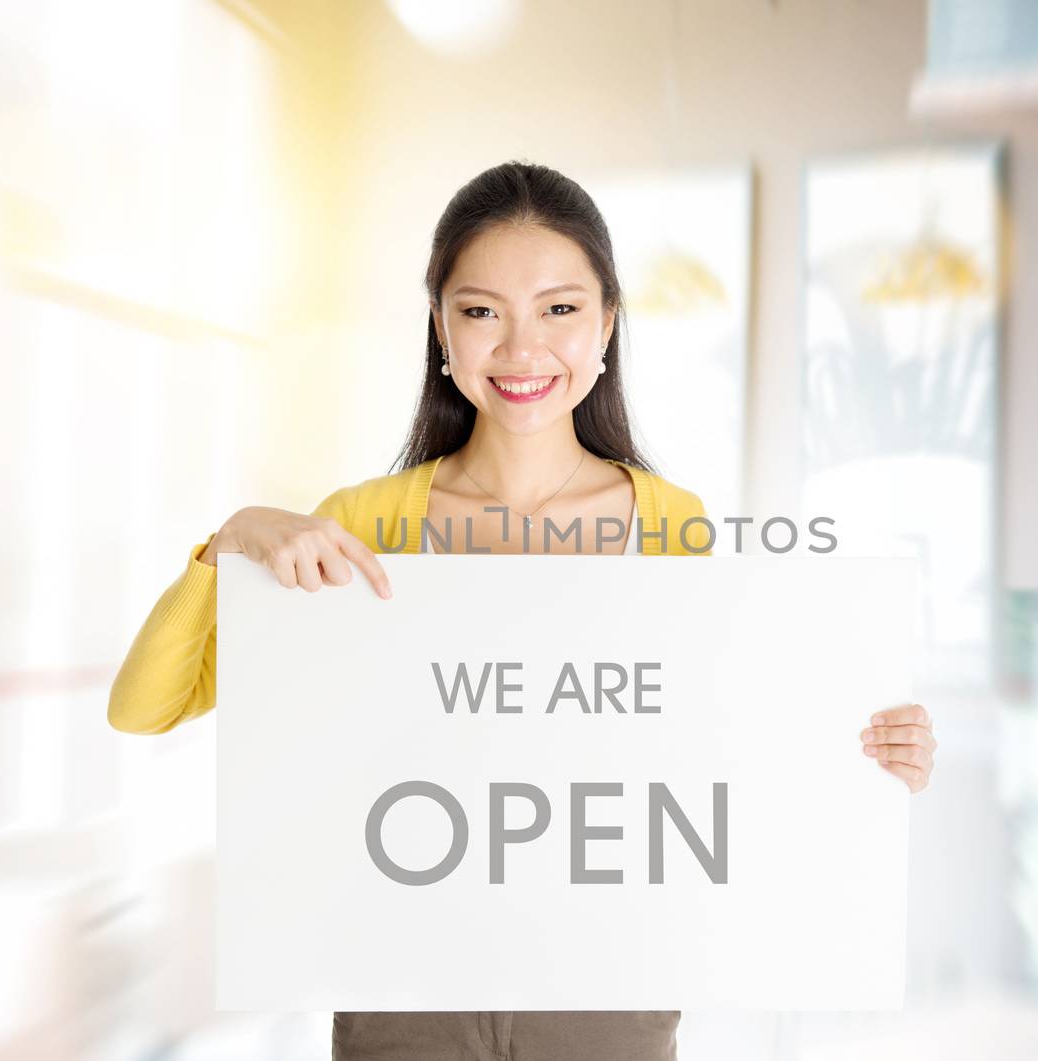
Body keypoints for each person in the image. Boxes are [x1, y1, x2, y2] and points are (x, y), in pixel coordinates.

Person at [107, 160, 938, 1061]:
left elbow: (735, 743)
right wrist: (230, 541)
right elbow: (144, 706)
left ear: (609, 323)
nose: (521, 348)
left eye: (559, 308)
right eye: (480, 311)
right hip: (400, 992)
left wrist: (870, 749)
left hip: (608, 992)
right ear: (441, 330)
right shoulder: (359, 525)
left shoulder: (677, 528)